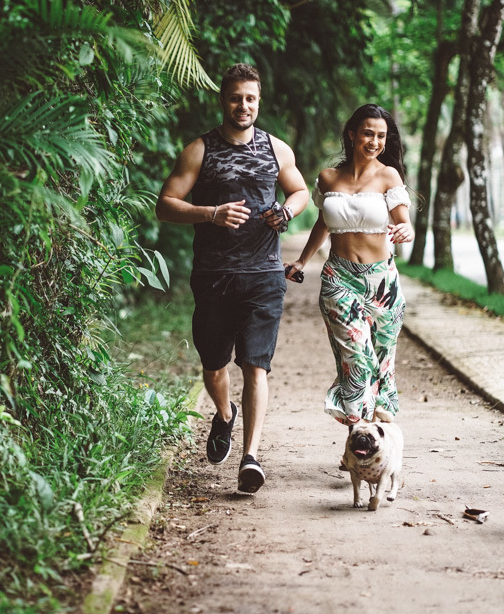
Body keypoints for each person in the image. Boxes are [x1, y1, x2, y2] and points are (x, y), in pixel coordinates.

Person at [156, 63, 309, 493]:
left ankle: (250, 457)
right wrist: (211, 213)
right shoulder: (199, 150)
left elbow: (300, 192)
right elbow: (165, 204)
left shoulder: (276, 149)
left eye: (251, 99)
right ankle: (224, 414)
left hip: (263, 275)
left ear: (259, 102)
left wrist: (287, 211)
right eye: (236, 98)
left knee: (255, 366)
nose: (244, 106)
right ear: (223, 100)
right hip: (214, 275)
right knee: (215, 364)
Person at [284, 103, 414, 426]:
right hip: (339, 278)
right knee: (357, 360)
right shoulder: (328, 178)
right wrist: (302, 260)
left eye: (381, 136)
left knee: (383, 365)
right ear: (353, 134)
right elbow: (323, 224)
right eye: (368, 133)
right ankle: (360, 432)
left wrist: (406, 229)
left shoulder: (389, 176)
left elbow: (404, 221)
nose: (374, 142)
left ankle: (370, 443)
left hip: (382, 283)